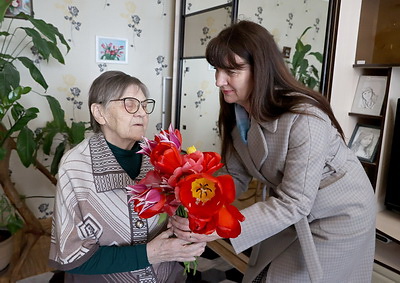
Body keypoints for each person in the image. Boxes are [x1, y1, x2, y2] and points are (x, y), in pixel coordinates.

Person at [170, 21, 376, 283]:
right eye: (217, 69)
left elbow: (295, 202)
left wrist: (218, 227)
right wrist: (197, 204)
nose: (219, 81)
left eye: (231, 70)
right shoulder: (239, 110)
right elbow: (235, 174)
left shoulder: (306, 119)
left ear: (261, 69)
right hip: (294, 207)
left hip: (339, 213)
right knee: (266, 273)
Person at [48, 71, 206, 282]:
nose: (141, 113)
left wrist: (191, 232)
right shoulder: (75, 167)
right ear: (99, 112)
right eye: (130, 104)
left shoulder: (163, 157)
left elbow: (181, 215)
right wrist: (151, 253)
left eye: (144, 105)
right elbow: (72, 254)